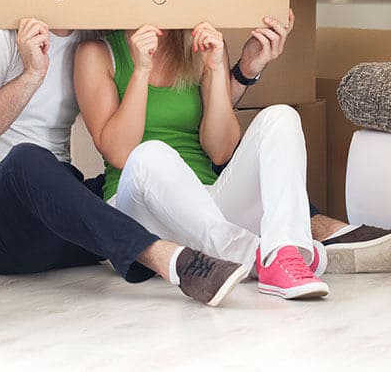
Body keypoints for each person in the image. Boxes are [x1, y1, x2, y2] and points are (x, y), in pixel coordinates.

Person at [0, 19, 249, 308]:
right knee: (26, 159)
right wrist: (31, 75)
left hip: (61, 216)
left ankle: (231, 249)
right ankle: (168, 258)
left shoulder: (90, 30)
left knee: (141, 172)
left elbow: (185, 106)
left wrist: (245, 70)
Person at [75, 18, 329, 300]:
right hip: (141, 213)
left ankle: (285, 249)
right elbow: (119, 153)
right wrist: (141, 71)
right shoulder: (96, 53)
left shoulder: (198, 46)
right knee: (150, 154)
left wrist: (216, 69)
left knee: (281, 117)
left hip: (207, 207)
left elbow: (220, 151)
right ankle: (259, 256)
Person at [227, 12, 391, 274]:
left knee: (280, 116)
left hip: (215, 190)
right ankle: (317, 237)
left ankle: (301, 245)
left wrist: (244, 70)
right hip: (176, 204)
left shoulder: (193, 43)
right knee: (162, 159)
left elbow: (212, 132)